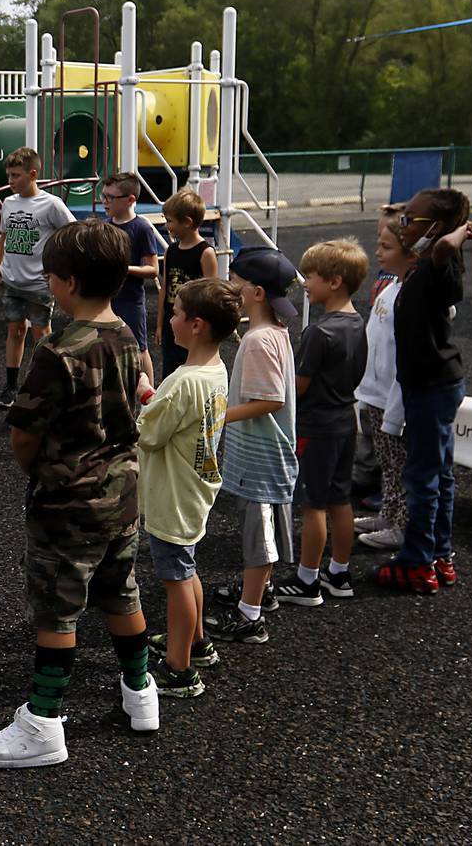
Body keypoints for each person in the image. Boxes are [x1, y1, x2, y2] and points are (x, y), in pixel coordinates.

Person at [0, 219, 159, 769]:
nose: (47, 283)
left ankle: (45, 722)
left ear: (69, 283)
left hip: (68, 498)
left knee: (58, 609)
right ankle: (140, 693)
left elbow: (25, 434)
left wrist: (40, 471)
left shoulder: (57, 350)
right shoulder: (126, 334)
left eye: (51, 276)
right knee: (121, 592)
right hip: (121, 493)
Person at [136, 278, 236, 698]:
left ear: (196, 325)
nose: (170, 317)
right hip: (195, 490)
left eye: (175, 312)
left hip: (172, 497)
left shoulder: (183, 381)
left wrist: (142, 389)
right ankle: (197, 642)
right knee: (187, 569)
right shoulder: (215, 369)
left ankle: (179, 670)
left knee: (175, 579)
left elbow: (149, 433)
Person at [377, 188, 472, 594]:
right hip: (434, 384)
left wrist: (458, 232)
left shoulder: (438, 267)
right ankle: (440, 554)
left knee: (423, 478)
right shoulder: (422, 270)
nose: (403, 226)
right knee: (439, 474)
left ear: (435, 229)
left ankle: (417, 562)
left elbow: (442, 250)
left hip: (432, 388)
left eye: (409, 219)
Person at [206, 247, 299, 645]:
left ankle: (250, 616)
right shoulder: (274, 331)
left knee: (258, 537)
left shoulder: (259, 340)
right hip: (268, 454)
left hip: (260, 459)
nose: (231, 287)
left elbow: (271, 400)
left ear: (257, 293)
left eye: (237, 282)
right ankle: (259, 591)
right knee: (263, 533)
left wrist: (218, 416)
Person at [275, 238, 369, 607]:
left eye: (310, 276)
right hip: (346, 420)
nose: (304, 282)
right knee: (340, 499)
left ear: (334, 281)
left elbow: (298, 386)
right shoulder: (357, 321)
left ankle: (306, 580)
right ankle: (339, 574)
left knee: (312, 504)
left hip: (316, 426)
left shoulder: (318, 331)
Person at [0, 147, 74, 409]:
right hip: (12, 281)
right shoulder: (9, 203)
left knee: (42, 333)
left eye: (16, 175)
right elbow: (3, 238)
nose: (10, 181)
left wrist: (57, 268)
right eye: (9, 175)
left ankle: (44, 384)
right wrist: (0, 266)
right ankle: (10, 386)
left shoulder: (51, 204)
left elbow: (71, 233)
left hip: (39, 284)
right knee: (14, 332)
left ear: (33, 174)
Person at [353, 214, 412, 551]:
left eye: (386, 246)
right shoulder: (391, 286)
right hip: (375, 392)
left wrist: (394, 405)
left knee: (396, 463)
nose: (378, 251)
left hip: (391, 396)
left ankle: (401, 523)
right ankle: (389, 513)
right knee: (386, 461)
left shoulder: (406, 294)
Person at [101, 173, 161, 384]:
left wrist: (123, 268)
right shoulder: (105, 225)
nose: (105, 202)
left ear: (130, 200)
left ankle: (149, 398)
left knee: (139, 348)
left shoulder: (141, 228)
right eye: (103, 196)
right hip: (106, 299)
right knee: (107, 347)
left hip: (130, 299)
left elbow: (153, 270)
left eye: (111, 197)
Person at [155, 190, 217, 381]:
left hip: (194, 328)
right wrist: (159, 325)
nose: (167, 226)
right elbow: (164, 289)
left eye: (170, 221)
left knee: (192, 373)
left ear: (188, 222)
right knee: (170, 375)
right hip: (171, 325)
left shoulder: (205, 253)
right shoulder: (171, 251)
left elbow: (212, 295)